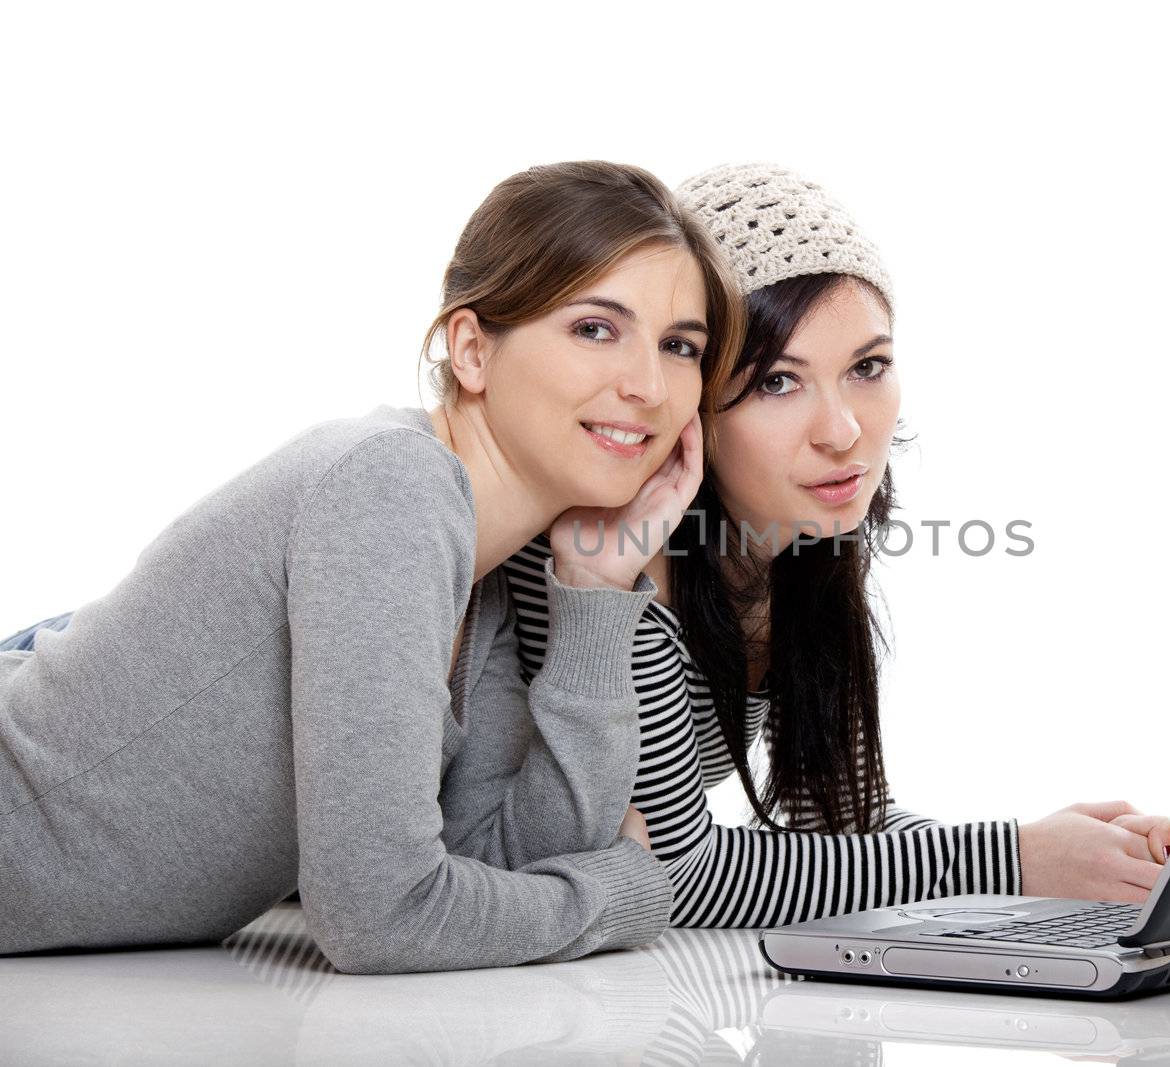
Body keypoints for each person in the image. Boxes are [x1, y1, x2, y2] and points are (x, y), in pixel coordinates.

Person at [0, 161, 744, 972]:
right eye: (595, 328)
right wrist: (623, 895)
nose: (646, 385)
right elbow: (384, 915)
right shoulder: (394, 485)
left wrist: (598, 593)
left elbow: (502, 864)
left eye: (679, 347)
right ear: (471, 350)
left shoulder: (485, 578)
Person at [505, 163, 1170, 929]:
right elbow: (679, 873)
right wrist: (1015, 857)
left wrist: (1077, 856)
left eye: (868, 367)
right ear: (694, 399)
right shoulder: (602, 553)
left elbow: (841, 818)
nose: (844, 431)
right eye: (777, 383)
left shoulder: (796, 541)